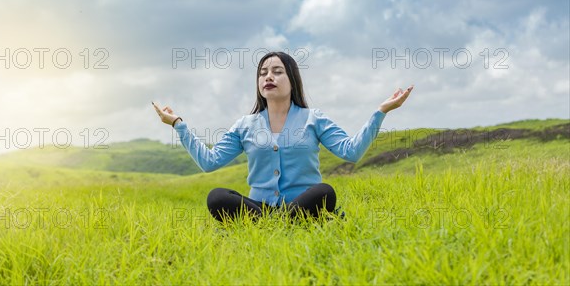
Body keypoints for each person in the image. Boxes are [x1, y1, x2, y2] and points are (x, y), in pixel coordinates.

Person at [153, 51, 413, 222]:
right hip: (260, 209)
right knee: (217, 197)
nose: (268, 76)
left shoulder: (314, 118)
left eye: (277, 71)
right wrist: (178, 124)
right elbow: (209, 162)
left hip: (303, 203)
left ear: (292, 80)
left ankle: (280, 223)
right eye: (263, 72)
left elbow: (351, 151)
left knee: (323, 192)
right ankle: (282, 224)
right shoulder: (245, 125)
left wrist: (381, 112)